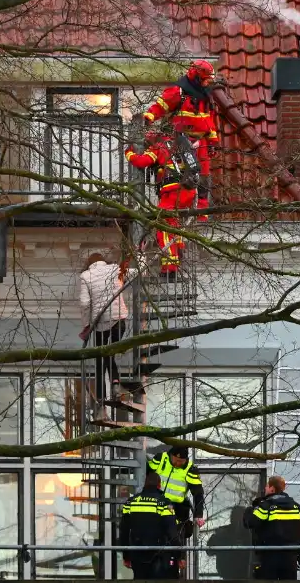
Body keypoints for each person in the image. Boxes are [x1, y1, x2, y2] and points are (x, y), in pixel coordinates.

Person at [141, 60, 221, 221]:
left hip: (201, 141)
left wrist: (213, 141)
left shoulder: (206, 95)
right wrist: (150, 116)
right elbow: (161, 105)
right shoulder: (179, 91)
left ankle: (202, 212)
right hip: (181, 140)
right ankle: (174, 204)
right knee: (180, 174)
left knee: (204, 174)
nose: (207, 82)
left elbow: (210, 121)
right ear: (197, 77)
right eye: (205, 79)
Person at [124, 134, 197, 277]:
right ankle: (179, 251)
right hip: (188, 190)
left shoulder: (159, 147)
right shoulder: (178, 145)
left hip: (173, 191)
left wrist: (129, 152)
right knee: (173, 225)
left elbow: (141, 161)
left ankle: (170, 268)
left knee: (162, 227)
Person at [77, 253, 135, 404]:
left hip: (101, 322)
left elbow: (84, 304)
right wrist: (140, 255)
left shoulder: (85, 276)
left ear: (89, 263)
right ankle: (115, 384)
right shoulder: (115, 269)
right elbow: (137, 272)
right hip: (120, 319)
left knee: (100, 357)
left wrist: (86, 325)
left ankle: (101, 398)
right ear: (103, 261)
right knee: (110, 354)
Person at [243, 476, 300, 580]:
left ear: (272, 488)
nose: (265, 489)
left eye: (267, 486)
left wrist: (249, 511)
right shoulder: (297, 508)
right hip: (291, 557)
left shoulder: (266, 506)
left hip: (270, 555)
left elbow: (250, 523)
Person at [148, 444, 206, 573]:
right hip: (155, 504)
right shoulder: (160, 459)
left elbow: (198, 493)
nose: (178, 463)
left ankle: (175, 563)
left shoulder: (190, 469)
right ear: (170, 455)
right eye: (175, 460)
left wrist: (198, 514)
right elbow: (146, 473)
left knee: (174, 539)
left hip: (177, 509)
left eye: (181, 461)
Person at [118, 472, 181, 580]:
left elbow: (124, 530)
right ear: (159, 485)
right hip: (159, 553)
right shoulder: (164, 503)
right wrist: (179, 556)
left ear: (144, 484)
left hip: (137, 553)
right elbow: (172, 532)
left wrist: (126, 556)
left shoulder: (130, 503)